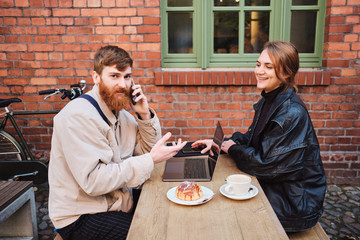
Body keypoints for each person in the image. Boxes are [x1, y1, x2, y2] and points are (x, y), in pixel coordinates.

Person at [48, 45, 186, 240]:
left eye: (127, 76)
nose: (123, 84)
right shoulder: (78, 116)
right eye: (114, 76)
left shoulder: (121, 114)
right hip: (81, 215)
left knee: (168, 209)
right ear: (96, 77)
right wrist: (149, 160)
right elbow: (94, 181)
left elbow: (147, 151)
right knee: (150, 234)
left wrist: (144, 114)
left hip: (116, 201)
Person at [193, 41, 326, 233]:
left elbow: (265, 165)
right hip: (277, 188)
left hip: (292, 203)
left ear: (287, 73)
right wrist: (219, 143)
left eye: (268, 67)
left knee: (221, 215)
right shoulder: (270, 98)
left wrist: (232, 149)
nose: (259, 71)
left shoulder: (291, 112)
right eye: (258, 64)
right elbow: (254, 139)